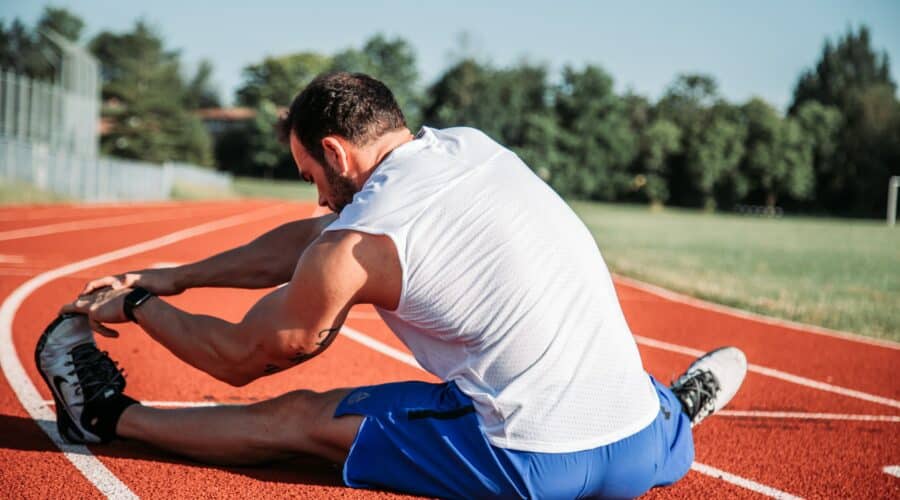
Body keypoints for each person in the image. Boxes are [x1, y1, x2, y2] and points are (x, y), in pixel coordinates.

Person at [37, 72, 747, 499]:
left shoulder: (356, 242)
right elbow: (313, 240)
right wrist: (177, 276)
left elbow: (242, 357)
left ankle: (104, 417)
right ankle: (675, 411)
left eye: (311, 176)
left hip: (531, 463)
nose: (316, 198)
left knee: (299, 419)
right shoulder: (470, 148)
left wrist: (137, 304)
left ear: (337, 152)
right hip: (639, 451)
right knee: (587, 359)